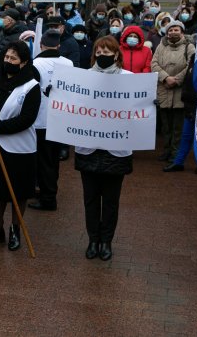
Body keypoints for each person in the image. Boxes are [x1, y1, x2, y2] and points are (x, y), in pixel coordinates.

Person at [0, 41, 40, 250]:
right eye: (6, 57)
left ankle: (15, 228)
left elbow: (28, 118)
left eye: (13, 59)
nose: (8, 61)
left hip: (18, 147)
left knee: (17, 191)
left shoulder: (31, 85)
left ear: (23, 62)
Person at [76, 36, 134, 261]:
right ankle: (93, 239)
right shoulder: (82, 78)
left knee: (110, 200)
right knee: (90, 199)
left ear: (116, 54)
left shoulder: (129, 79)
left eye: (107, 52)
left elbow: (136, 110)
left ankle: (106, 241)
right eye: (98, 52)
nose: (102, 55)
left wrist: (148, 103)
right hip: (88, 147)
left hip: (116, 148)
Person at [29, 30, 74, 212]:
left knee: (42, 160)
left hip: (40, 118)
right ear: (58, 46)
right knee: (53, 160)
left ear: (41, 45)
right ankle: (49, 191)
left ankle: (48, 198)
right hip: (61, 117)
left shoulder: (35, 64)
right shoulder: (68, 63)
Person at [151, 20, 195, 163]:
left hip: (180, 91)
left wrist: (177, 79)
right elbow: (154, 64)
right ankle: (167, 150)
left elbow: (191, 65)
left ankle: (176, 153)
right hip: (164, 90)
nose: (173, 32)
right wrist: (165, 78)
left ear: (182, 32)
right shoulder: (160, 47)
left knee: (178, 127)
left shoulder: (189, 46)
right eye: (170, 30)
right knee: (166, 126)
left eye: (176, 29)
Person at [0, 8, 28, 74]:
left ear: (10, 21)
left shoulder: (19, 37)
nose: (0, 19)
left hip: (5, 72)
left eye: (3, 18)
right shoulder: (4, 31)